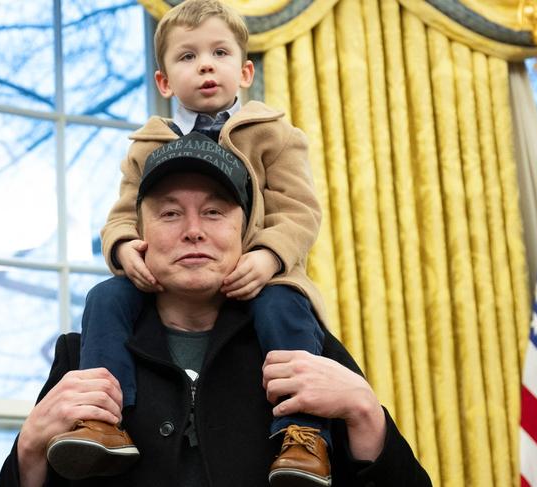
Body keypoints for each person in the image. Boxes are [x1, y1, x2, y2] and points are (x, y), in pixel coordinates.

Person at [0, 142, 432, 487]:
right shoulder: (81, 355)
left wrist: (365, 412)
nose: (193, 230)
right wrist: (31, 446)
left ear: (245, 235)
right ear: (139, 234)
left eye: (214, 212)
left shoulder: (311, 352)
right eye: (169, 213)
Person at [45, 0, 335, 485]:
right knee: (105, 296)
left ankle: (302, 433)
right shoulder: (147, 145)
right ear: (163, 82)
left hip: (261, 275)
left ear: (244, 72)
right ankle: (102, 420)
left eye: (219, 53)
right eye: (186, 57)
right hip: (169, 281)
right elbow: (122, 215)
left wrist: (267, 256)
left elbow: (299, 210)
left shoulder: (274, 134)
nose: (204, 64)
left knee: (284, 309)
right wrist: (123, 249)